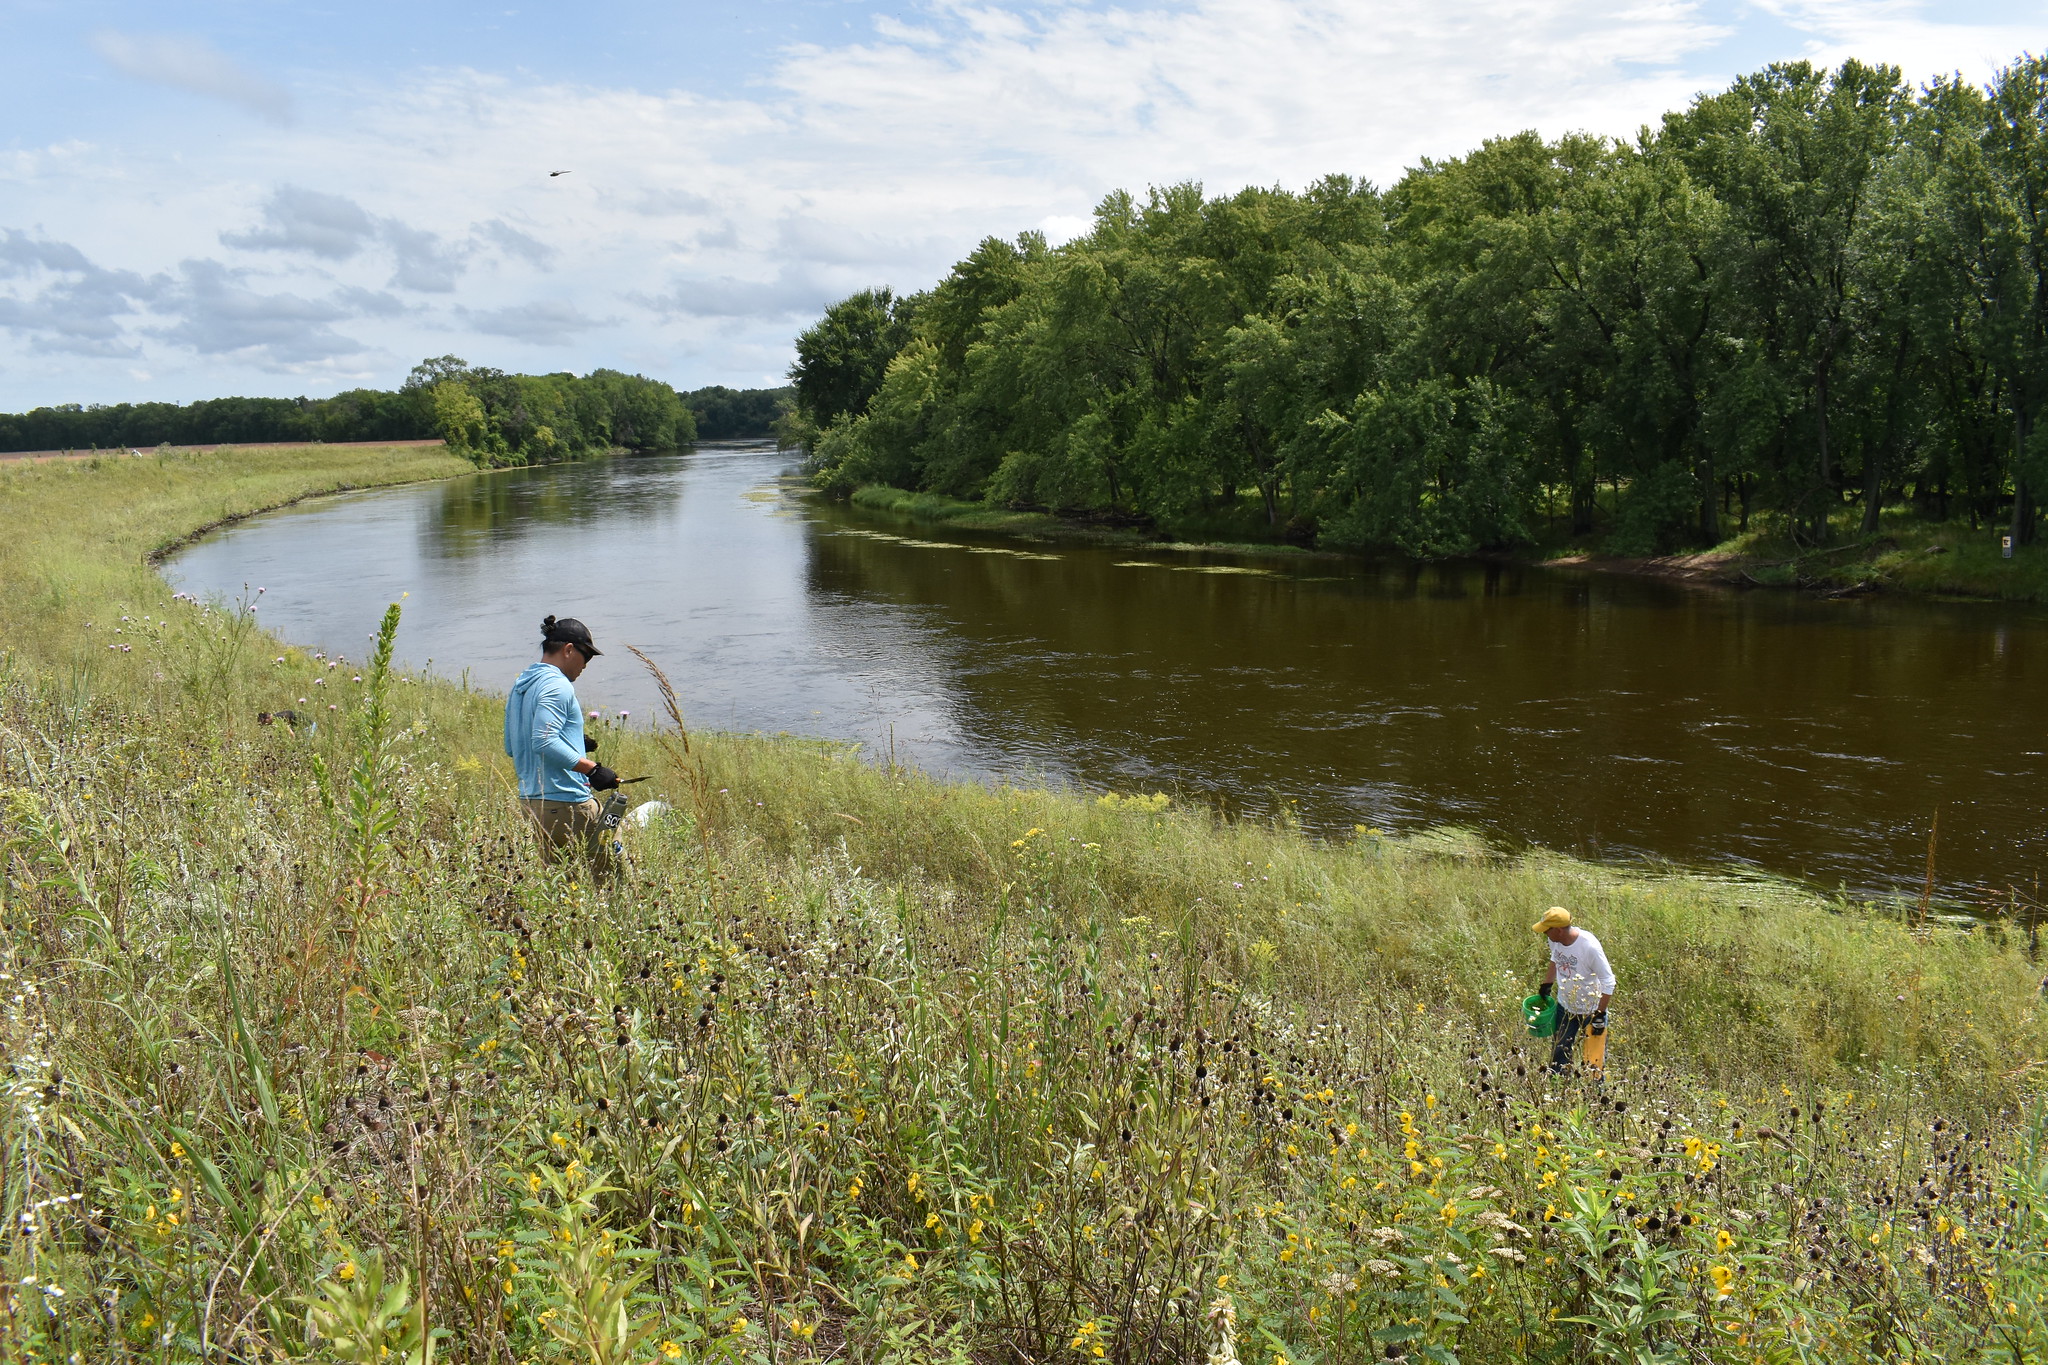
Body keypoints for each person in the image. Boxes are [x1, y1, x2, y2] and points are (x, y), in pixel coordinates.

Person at [505, 615, 621, 880]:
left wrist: (576, 743)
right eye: (587, 657)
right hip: (569, 804)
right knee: (612, 877)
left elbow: (513, 746)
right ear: (569, 649)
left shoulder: (521, 687)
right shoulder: (558, 685)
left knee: (562, 891)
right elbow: (544, 741)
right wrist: (592, 770)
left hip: (533, 806)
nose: (586, 666)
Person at [1533, 906, 1614, 1074]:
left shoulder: (1589, 947)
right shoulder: (1555, 940)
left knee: (1594, 1063)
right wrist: (1547, 984)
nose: (1544, 934)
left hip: (1591, 1011)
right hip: (1565, 1008)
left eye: (1547, 930)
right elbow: (1555, 958)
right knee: (1558, 1055)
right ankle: (1557, 1092)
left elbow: (1609, 982)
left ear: (1559, 930)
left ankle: (1596, 1095)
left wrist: (1599, 1014)